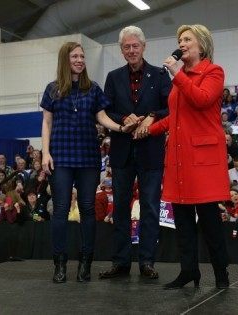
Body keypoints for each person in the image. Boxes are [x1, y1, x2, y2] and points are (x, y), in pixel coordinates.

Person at [138, 24, 230, 289]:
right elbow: (176, 118)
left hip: (202, 158)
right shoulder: (180, 79)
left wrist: (177, 74)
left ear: (201, 44)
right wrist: (149, 129)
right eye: (180, 40)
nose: (182, 43)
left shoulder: (213, 72)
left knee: (210, 220)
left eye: (187, 39)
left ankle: (221, 273)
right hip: (180, 158)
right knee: (182, 220)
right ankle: (189, 271)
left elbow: (201, 99)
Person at [40, 41, 136, 284]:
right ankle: (59, 264)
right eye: (75, 56)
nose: (80, 60)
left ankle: (86, 264)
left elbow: (102, 117)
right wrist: (45, 154)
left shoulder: (92, 89)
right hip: (60, 156)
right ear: (65, 60)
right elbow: (47, 123)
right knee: (61, 209)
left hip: (88, 157)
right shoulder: (52, 89)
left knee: (88, 210)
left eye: (82, 56)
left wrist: (121, 127)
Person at [99, 26, 171, 281]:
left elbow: (171, 108)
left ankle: (147, 262)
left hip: (151, 151)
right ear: (121, 50)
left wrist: (152, 117)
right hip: (121, 151)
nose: (131, 50)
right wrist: (123, 119)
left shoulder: (161, 75)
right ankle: (120, 262)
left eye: (135, 46)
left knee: (150, 208)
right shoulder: (113, 76)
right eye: (126, 47)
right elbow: (105, 111)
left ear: (144, 46)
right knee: (119, 208)